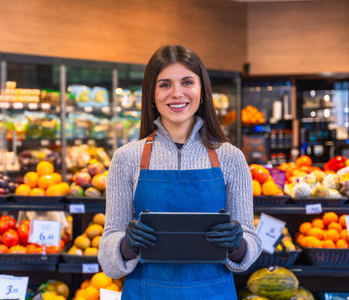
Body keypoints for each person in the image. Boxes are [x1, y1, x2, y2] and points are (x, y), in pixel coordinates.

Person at [98, 44, 262, 299]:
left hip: (212, 292)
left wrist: (237, 243)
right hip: (146, 292)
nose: (177, 93)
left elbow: (250, 247)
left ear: (202, 91)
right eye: (164, 84)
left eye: (187, 82)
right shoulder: (126, 158)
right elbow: (108, 254)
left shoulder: (231, 158)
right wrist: (126, 245)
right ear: (151, 94)